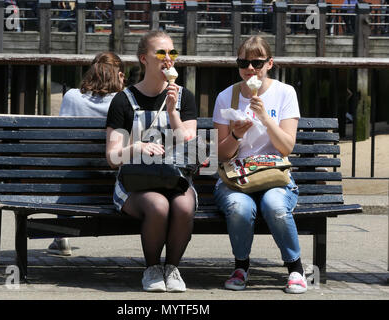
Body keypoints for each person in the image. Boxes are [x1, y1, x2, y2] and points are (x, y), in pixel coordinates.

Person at [212, 36, 307, 294]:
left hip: (274, 174)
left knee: (274, 205)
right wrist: (236, 135)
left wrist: (265, 117)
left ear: (269, 64)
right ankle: (241, 266)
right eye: (244, 62)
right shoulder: (226, 97)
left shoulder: (285, 93)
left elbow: (287, 147)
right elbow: (220, 155)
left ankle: (295, 268)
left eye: (257, 62)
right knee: (239, 207)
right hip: (236, 177)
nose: (250, 69)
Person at [105, 31, 198, 292]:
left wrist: (172, 112)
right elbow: (112, 157)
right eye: (161, 53)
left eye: (172, 53)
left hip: (174, 177)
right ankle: (152, 268)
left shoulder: (184, 98)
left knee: (182, 205)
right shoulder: (123, 100)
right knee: (158, 206)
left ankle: (173, 268)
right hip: (136, 182)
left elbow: (190, 144)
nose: (168, 59)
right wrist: (136, 146)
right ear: (144, 59)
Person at [47, 52, 125, 256]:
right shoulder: (123, 100)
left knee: (71, 165)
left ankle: (61, 235)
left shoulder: (72, 96)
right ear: (119, 75)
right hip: (113, 179)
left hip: (75, 182)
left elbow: (63, 140)